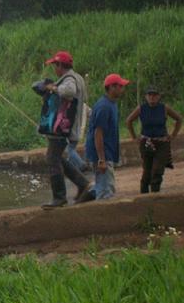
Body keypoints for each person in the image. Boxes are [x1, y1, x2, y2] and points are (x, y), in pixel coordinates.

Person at [40, 51, 92, 209]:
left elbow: (69, 92)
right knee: (56, 157)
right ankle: (83, 184)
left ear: (60, 65)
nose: (54, 69)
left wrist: (53, 88)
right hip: (68, 126)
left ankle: (59, 197)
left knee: (52, 158)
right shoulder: (77, 77)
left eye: (55, 65)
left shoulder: (69, 79)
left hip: (63, 127)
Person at [82, 73, 131, 202]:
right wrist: (101, 160)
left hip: (105, 151)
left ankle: (86, 197)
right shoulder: (104, 107)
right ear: (112, 87)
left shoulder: (111, 104)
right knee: (105, 192)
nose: (123, 89)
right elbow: (98, 133)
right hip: (102, 153)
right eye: (120, 86)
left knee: (104, 185)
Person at [126, 85, 183, 194]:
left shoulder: (164, 108)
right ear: (146, 97)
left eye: (155, 95)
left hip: (162, 143)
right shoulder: (141, 108)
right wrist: (134, 137)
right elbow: (129, 121)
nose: (152, 97)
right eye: (150, 95)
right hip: (146, 143)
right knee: (147, 171)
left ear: (159, 96)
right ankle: (144, 195)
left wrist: (173, 135)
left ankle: (155, 195)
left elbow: (179, 119)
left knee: (157, 171)